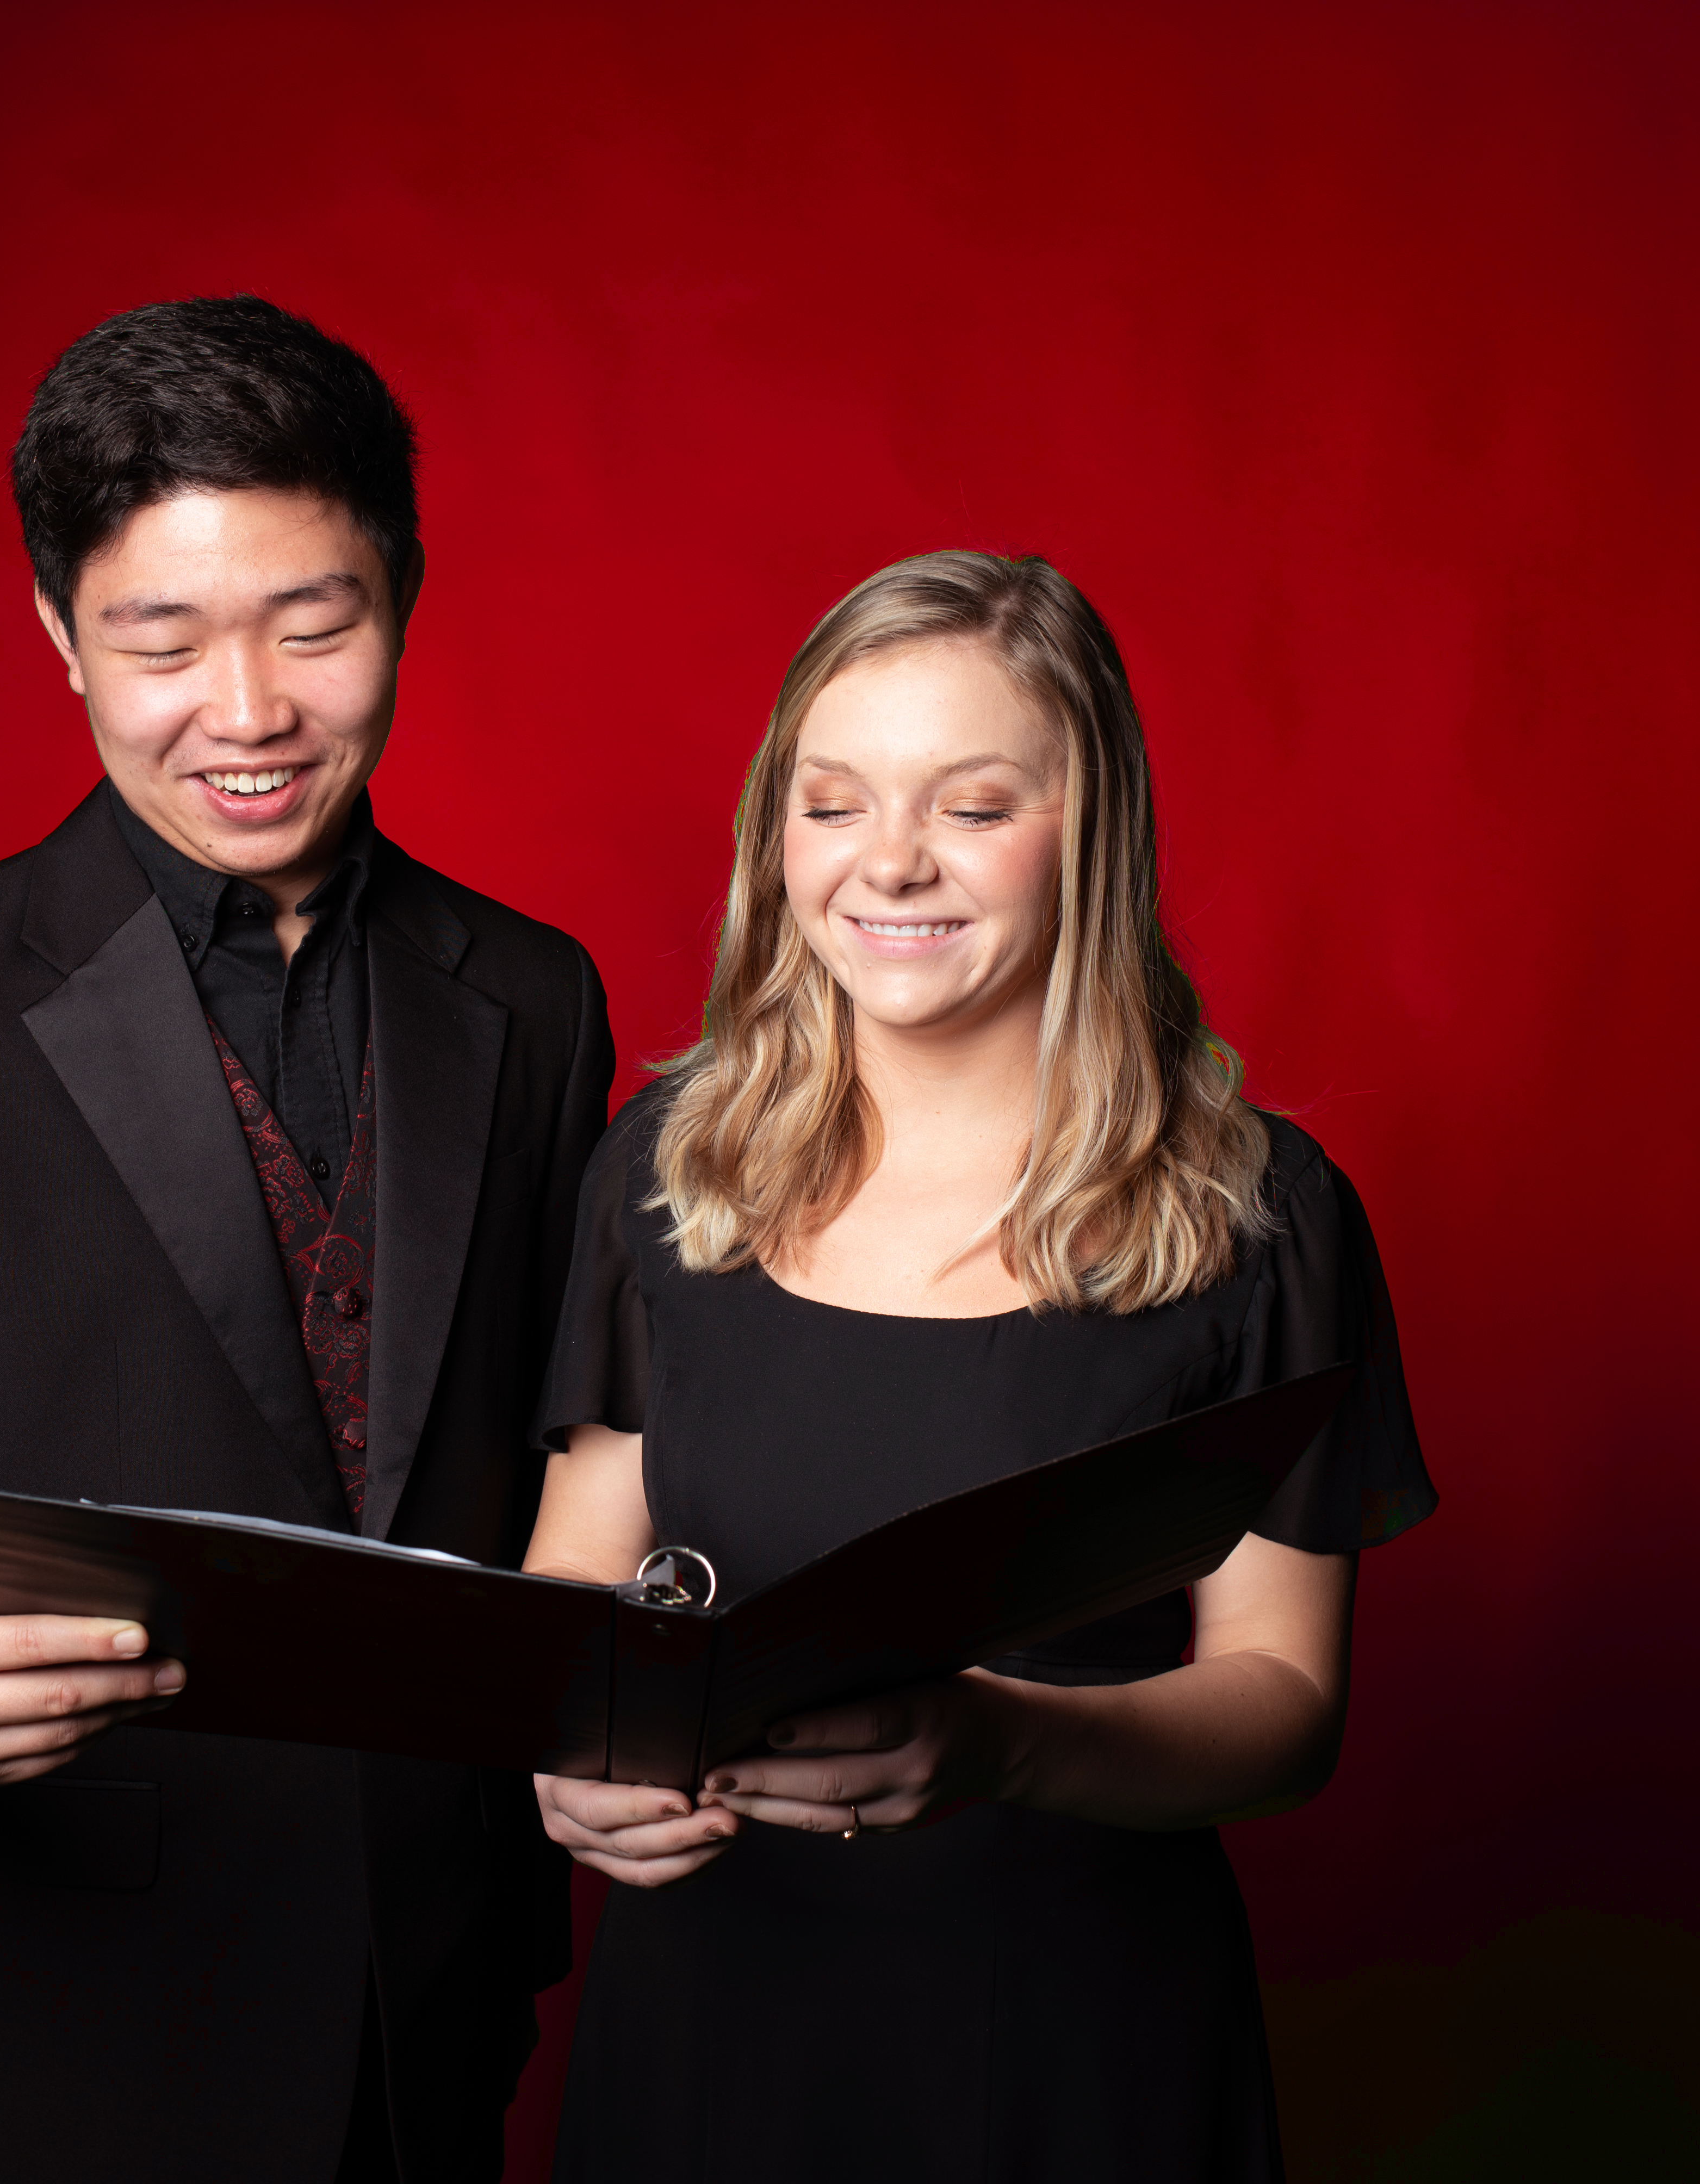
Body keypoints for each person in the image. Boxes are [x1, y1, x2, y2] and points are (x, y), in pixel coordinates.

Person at [0, 296, 613, 2183]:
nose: (245, 714)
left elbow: (574, 1452)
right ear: (54, 632)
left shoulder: (536, 995)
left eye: (313, 625)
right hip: (63, 2011)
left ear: (404, 591)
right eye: (160, 640)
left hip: (444, 2009)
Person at [523, 550, 1435, 2179]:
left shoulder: (1261, 1216)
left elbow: (1290, 1707)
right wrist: (570, 1762)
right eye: (834, 804)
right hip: (713, 2034)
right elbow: (581, 1586)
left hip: (1075, 2045)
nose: (892, 864)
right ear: (774, 838)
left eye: (974, 804)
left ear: (1091, 835)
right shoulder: (665, 1168)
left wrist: (1012, 1743)